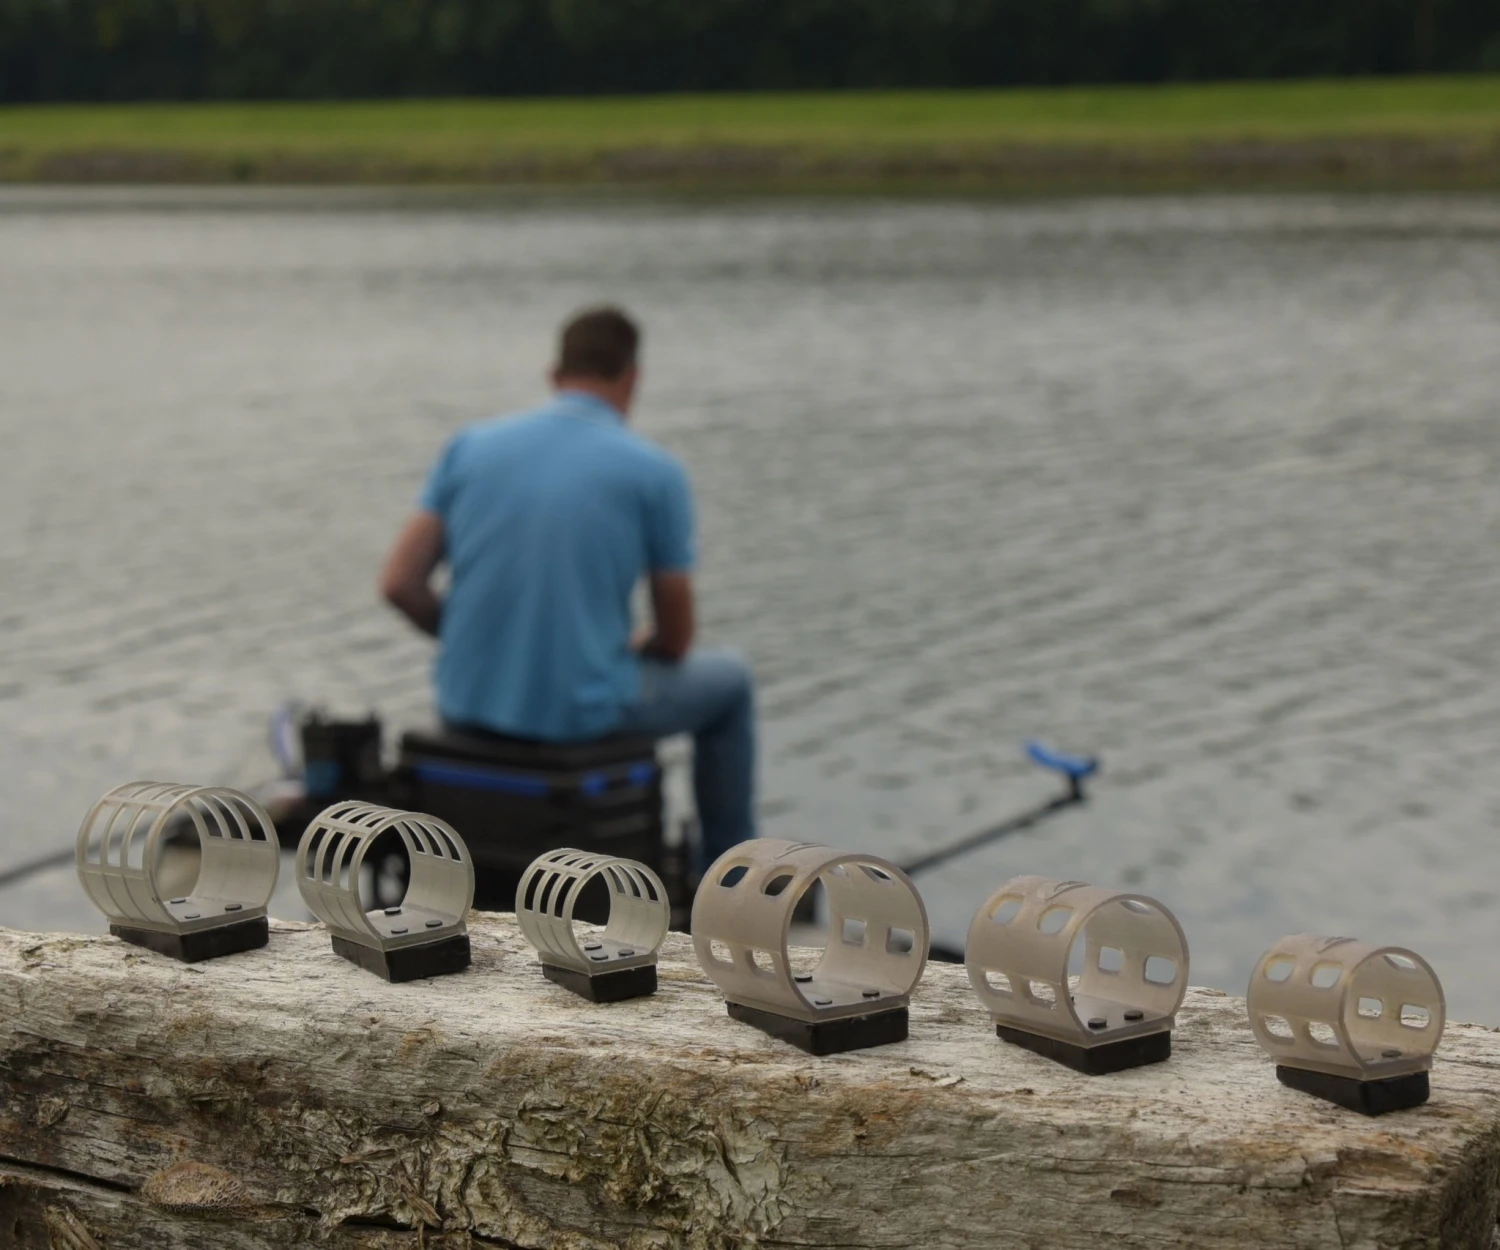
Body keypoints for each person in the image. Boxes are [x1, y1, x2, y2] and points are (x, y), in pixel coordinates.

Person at [378, 306, 755, 869]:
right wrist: (640, 644)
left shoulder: (469, 447)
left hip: (466, 706)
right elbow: (677, 640)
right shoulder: (655, 472)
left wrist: (472, 639)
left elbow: (399, 583)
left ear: (554, 375)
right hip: (579, 716)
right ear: (633, 379)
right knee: (732, 685)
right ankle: (729, 882)